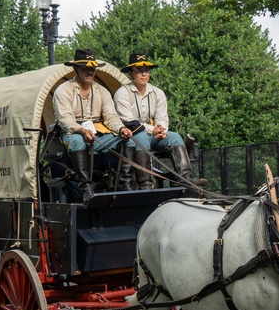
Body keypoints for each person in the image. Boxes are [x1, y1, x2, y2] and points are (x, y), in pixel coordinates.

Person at [113, 52, 206, 190]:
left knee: (174, 137)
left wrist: (161, 131)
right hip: (130, 136)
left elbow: (162, 117)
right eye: (139, 71)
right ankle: (146, 184)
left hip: (152, 134)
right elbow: (129, 121)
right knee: (142, 138)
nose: (144, 74)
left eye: (146, 70)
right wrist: (153, 130)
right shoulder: (122, 93)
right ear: (131, 74)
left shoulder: (158, 93)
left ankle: (186, 179)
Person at [53, 49, 134, 199]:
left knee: (128, 138)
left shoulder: (102, 91)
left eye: (92, 68)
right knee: (78, 142)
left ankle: (125, 183)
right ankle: (86, 187)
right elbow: (66, 120)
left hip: (98, 132)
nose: (90, 72)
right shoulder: (63, 91)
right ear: (75, 69)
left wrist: (121, 128)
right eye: (85, 68)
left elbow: (111, 116)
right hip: (72, 132)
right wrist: (82, 131)